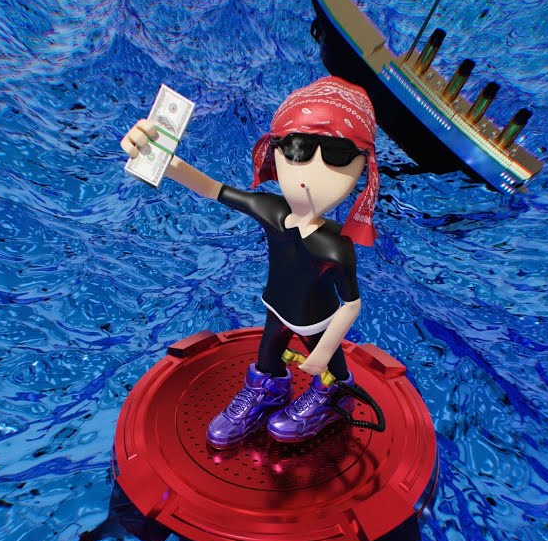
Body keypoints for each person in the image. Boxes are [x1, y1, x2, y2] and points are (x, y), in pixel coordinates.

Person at [120, 76, 380, 447]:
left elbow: (351, 304)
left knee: (331, 368)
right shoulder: (271, 211)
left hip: (318, 322)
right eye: (298, 148)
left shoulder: (335, 247)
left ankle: (334, 394)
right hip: (276, 307)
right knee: (267, 356)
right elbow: (214, 189)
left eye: (337, 153)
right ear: (276, 151)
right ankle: (269, 389)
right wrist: (162, 158)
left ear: (361, 167)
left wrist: (323, 351)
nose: (311, 172)